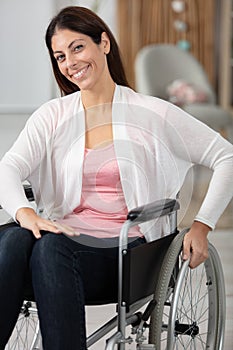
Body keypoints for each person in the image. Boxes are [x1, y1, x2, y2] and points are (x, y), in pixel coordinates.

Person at [0, 5, 233, 350]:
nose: (70, 62)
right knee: (14, 238)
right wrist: (25, 212)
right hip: (60, 246)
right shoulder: (52, 115)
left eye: (78, 47)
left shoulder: (151, 113)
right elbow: (8, 167)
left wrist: (202, 224)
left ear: (104, 43)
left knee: (48, 248)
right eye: (60, 56)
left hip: (125, 257)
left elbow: (226, 155)